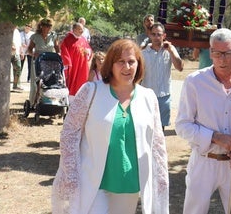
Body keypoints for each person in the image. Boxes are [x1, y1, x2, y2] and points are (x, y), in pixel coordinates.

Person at [51, 39, 169, 214]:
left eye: (131, 61)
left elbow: (158, 144)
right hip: (93, 181)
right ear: (111, 64)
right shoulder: (91, 91)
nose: (127, 67)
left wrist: (160, 180)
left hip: (129, 183)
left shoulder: (148, 97)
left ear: (139, 64)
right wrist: (70, 174)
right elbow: (69, 133)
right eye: (120, 61)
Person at [175, 28, 231, 214]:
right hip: (204, 161)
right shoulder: (195, 82)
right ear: (210, 52)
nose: (221, 59)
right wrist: (215, 137)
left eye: (227, 53)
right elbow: (182, 125)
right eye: (216, 52)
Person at [141, 22, 183, 129]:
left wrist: (171, 51)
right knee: (146, 127)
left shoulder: (169, 50)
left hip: (164, 96)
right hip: (147, 96)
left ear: (164, 36)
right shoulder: (143, 52)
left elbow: (180, 67)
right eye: (153, 34)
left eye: (159, 34)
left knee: (161, 129)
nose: (156, 37)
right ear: (149, 35)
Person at [27, 18, 59, 105]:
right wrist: (34, 54)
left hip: (50, 61)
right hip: (38, 61)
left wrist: (58, 55)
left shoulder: (53, 36)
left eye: (49, 26)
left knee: (50, 80)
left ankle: (50, 101)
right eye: (45, 25)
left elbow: (57, 48)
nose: (47, 28)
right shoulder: (35, 36)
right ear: (41, 26)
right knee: (37, 83)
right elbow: (29, 49)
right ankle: (33, 102)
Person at [60, 22, 92, 102]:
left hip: (82, 66)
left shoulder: (83, 39)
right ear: (74, 29)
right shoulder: (68, 39)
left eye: (82, 30)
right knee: (72, 82)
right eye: (80, 29)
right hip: (73, 65)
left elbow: (89, 49)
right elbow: (64, 51)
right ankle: (70, 100)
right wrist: (68, 63)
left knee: (82, 81)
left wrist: (88, 52)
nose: (81, 31)